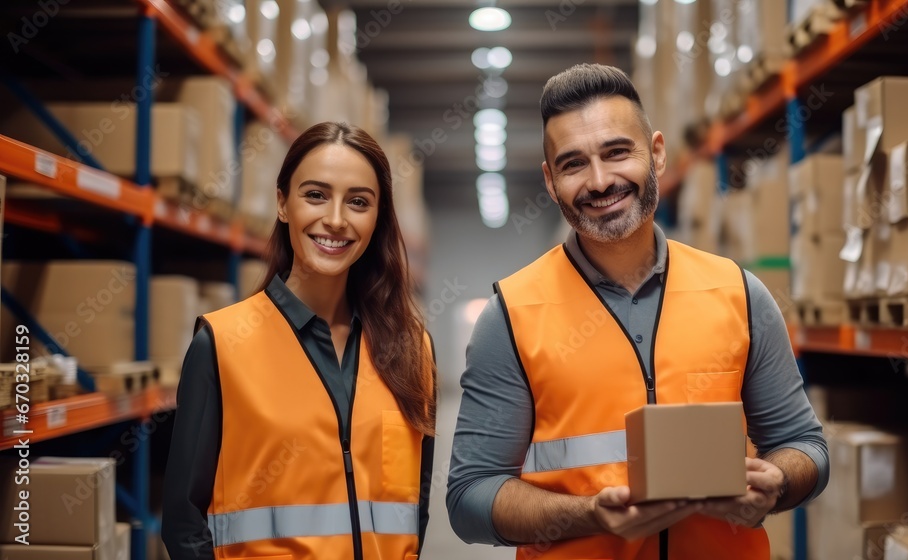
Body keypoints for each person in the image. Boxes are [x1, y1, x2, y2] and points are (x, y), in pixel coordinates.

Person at [446, 64, 829, 559]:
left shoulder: (739, 293)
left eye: (617, 152)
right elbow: (469, 497)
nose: (601, 181)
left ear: (657, 153)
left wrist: (778, 481)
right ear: (550, 180)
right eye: (573, 164)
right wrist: (586, 515)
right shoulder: (512, 315)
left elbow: (806, 447)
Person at [162, 122, 437, 560]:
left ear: (378, 217)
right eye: (315, 195)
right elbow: (183, 520)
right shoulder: (222, 344)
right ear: (282, 203)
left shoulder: (412, 351)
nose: (335, 219)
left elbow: (413, 512)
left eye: (359, 202)